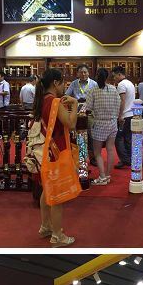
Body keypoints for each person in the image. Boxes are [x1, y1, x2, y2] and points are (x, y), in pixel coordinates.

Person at [33, 67, 79, 247]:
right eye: (63, 83)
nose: (64, 87)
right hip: (58, 152)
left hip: (46, 151)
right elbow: (71, 123)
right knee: (58, 196)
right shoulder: (55, 102)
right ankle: (57, 236)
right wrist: (74, 104)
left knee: (47, 191)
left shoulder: (42, 100)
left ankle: (45, 226)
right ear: (56, 83)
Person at [85, 68, 121, 186]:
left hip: (99, 123)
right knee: (110, 149)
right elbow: (118, 104)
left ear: (96, 76)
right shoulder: (113, 89)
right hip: (112, 123)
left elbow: (88, 108)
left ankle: (102, 176)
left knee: (97, 152)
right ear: (107, 77)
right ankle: (108, 175)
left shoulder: (93, 90)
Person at [112, 66, 135, 169]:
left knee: (118, 138)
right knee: (128, 138)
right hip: (131, 114)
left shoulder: (121, 85)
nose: (114, 79)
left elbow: (122, 101)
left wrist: (120, 115)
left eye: (114, 76)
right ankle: (129, 158)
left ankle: (125, 159)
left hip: (124, 115)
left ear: (119, 74)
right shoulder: (130, 83)